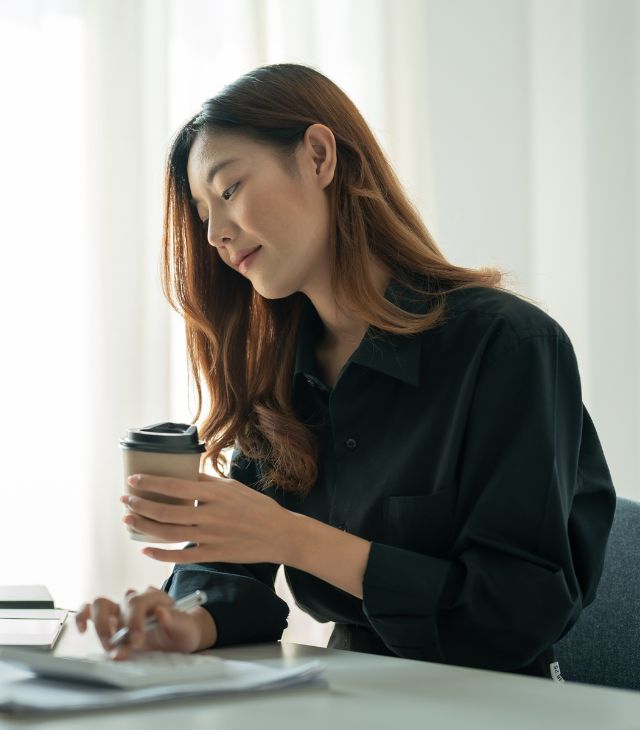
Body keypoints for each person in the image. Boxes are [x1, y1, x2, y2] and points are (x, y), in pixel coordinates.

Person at [75, 63, 616, 679]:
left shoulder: (507, 346)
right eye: (203, 216)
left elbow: (513, 614)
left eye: (227, 191)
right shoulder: (279, 374)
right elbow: (236, 571)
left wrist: (291, 537)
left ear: (318, 156)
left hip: (493, 706)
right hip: (348, 694)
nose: (217, 235)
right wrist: (185, 620)